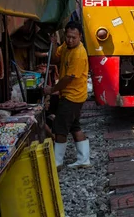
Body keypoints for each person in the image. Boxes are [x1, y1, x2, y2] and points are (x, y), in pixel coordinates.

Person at [42, 21, 90, 170]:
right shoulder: (66, 46)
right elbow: (56, 57)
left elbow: (67, 78)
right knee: (75, 127)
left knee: (60, 129)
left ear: (80, 36)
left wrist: (52, 90)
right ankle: (84, 159)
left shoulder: (79, 54)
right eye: (68, 37)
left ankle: (57, 162)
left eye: (73, 38)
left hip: (72, 96)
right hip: (74, 96)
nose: (70, 40)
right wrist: (54, 43)